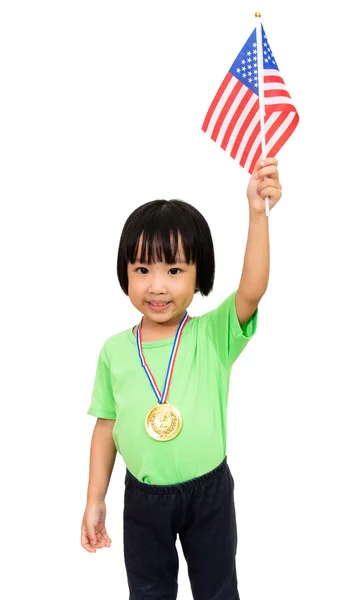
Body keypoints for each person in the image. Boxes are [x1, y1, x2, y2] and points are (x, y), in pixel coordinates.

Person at [81, 157, 282, 600]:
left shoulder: (212, 335)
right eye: (142, 269)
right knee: (149, 593)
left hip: (208, 493)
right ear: (125, 274)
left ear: (198, 274)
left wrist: (256, 213)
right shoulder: (115, 350)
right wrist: (96, 498)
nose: (157, 286)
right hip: (143, 501)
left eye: (174, 271)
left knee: (217, 590)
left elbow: (253, 288)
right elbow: (106, 427)